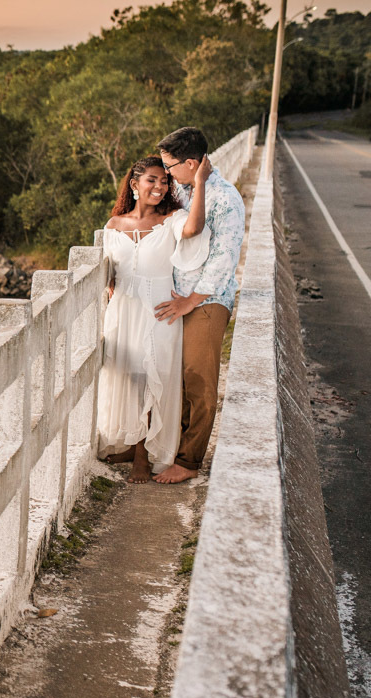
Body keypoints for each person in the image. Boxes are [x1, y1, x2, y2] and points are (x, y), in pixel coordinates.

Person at [98, 155, 212, 482]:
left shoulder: (173, 218)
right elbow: (108, 270)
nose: (160, 187)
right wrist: (108, 287)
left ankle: (142, 458)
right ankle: (130, 441)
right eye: (152, 180)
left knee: (153, 378)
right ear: (135, 185)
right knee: (129, 377)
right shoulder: (113, 225)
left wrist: (200, 183)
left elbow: (194, 228)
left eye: (165, 181)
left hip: (159, 309)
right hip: (123, 309)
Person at [151, 127, 246, 484]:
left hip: (207, 299)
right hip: (175, 295)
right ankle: (165, 446)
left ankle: (189, 462)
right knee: (170, 375)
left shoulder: (225, 198)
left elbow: (225, 257)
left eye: (170, 165)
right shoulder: (181, 190)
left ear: (192, 163)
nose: (167, 173)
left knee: (198, 377)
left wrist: (193, 300)